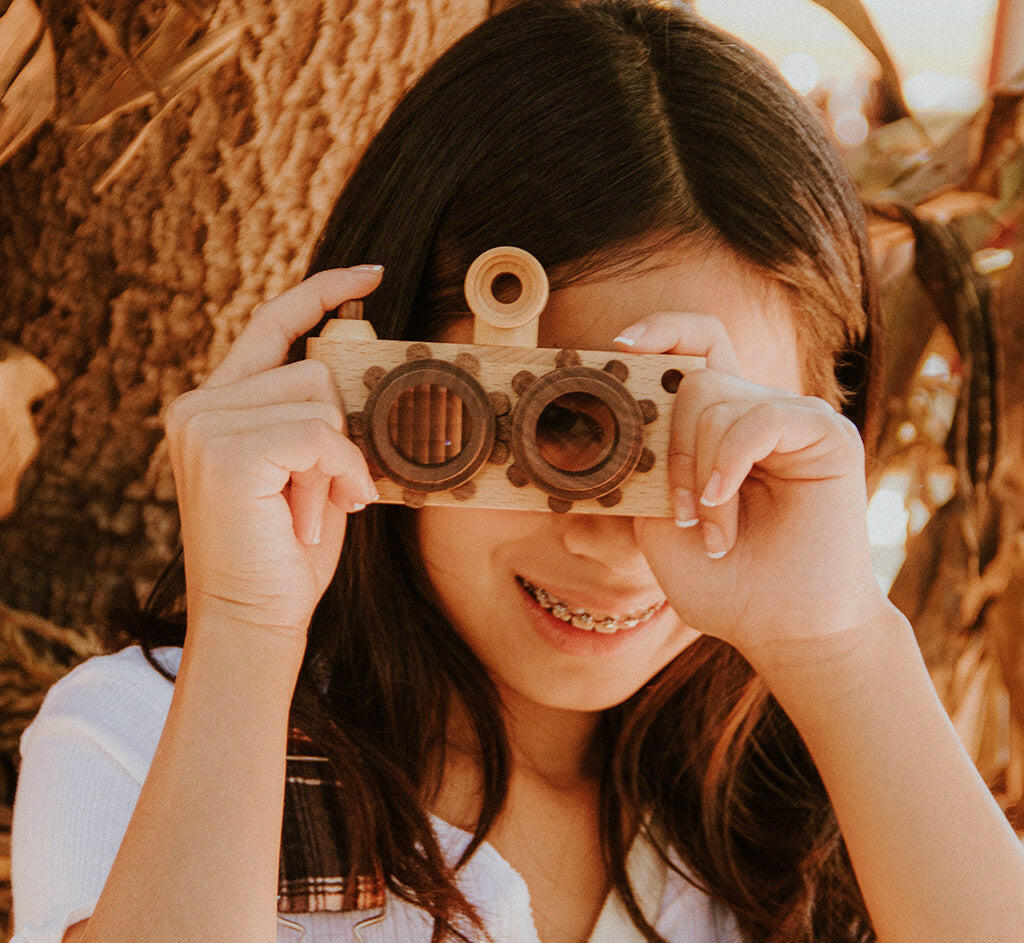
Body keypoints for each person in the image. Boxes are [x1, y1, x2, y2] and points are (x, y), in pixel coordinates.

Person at [10, 1, 1024, 941]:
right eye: (564, 427)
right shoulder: (151, 740)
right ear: (390, 387)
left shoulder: (844, 794)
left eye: (707, 438)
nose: (609, 531)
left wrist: (841, 646)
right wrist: (245, 631)